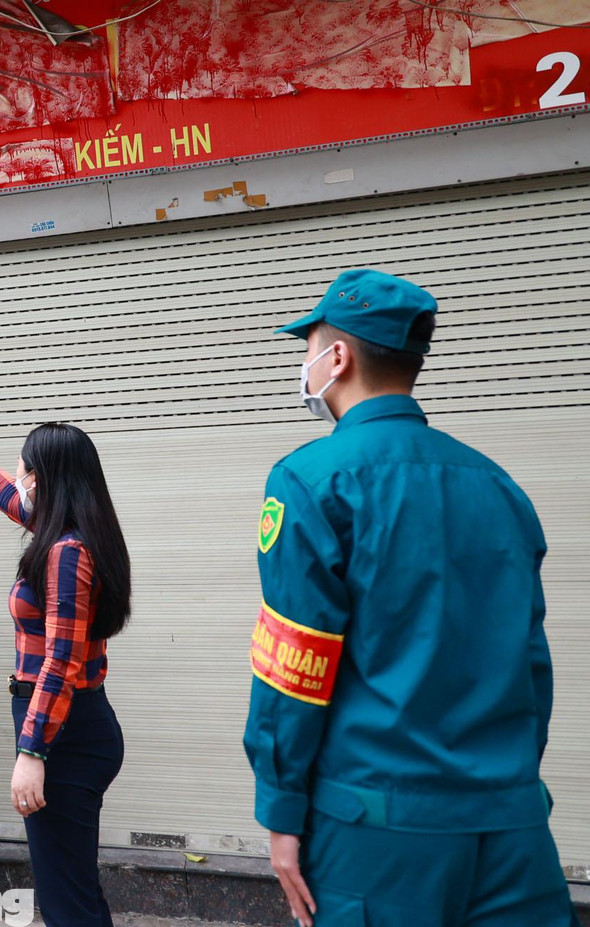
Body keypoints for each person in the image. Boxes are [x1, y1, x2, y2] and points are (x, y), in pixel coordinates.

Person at [243, 269, 577, 927]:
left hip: (378, 833)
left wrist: (281, 812)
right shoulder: (497, 483)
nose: (305, 365)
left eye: (308, 348)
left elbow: (294, 669)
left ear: (337, 358)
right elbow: (531, 663)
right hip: (512, 828)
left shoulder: (311, 482)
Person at [0, 418, 130, 927]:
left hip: (63, 733)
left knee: (65, 898)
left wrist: (33, 751)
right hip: (72, 723)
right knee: (72, 885)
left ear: (40, 476)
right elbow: (9, 499)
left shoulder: (66, 552)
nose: (18, 476)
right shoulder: (71, 531)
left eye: (23, 466)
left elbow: (60, 663)